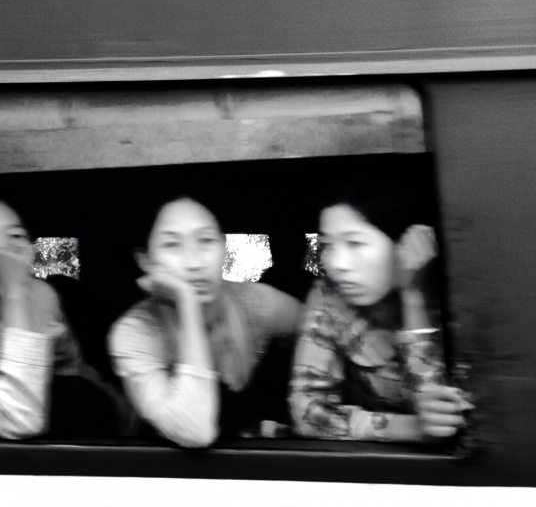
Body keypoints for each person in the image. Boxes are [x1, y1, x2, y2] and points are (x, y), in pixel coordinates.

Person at [0, 187, 126, 440]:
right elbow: (16, 418)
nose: (2, 251)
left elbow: (73, 371)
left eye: (16, 236)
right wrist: (13, 294)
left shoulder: (41, 295)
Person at [108, 194, 301, 447]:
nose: (194, 262)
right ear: (144, 260)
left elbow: (319, 329)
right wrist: (187, 302)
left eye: (206, 240)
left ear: (224, 247)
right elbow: (194, 431)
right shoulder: (134, 333)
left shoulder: (255, 303)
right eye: (172, 245)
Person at [290, 189, 474, 442]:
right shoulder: (328, 296)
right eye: (327, 245)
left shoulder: (457, 296)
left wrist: (412, 297)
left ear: (405, 245)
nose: (336, 264)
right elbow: (307, 412)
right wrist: (411, 428)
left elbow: (446, 410)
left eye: (355, 243)